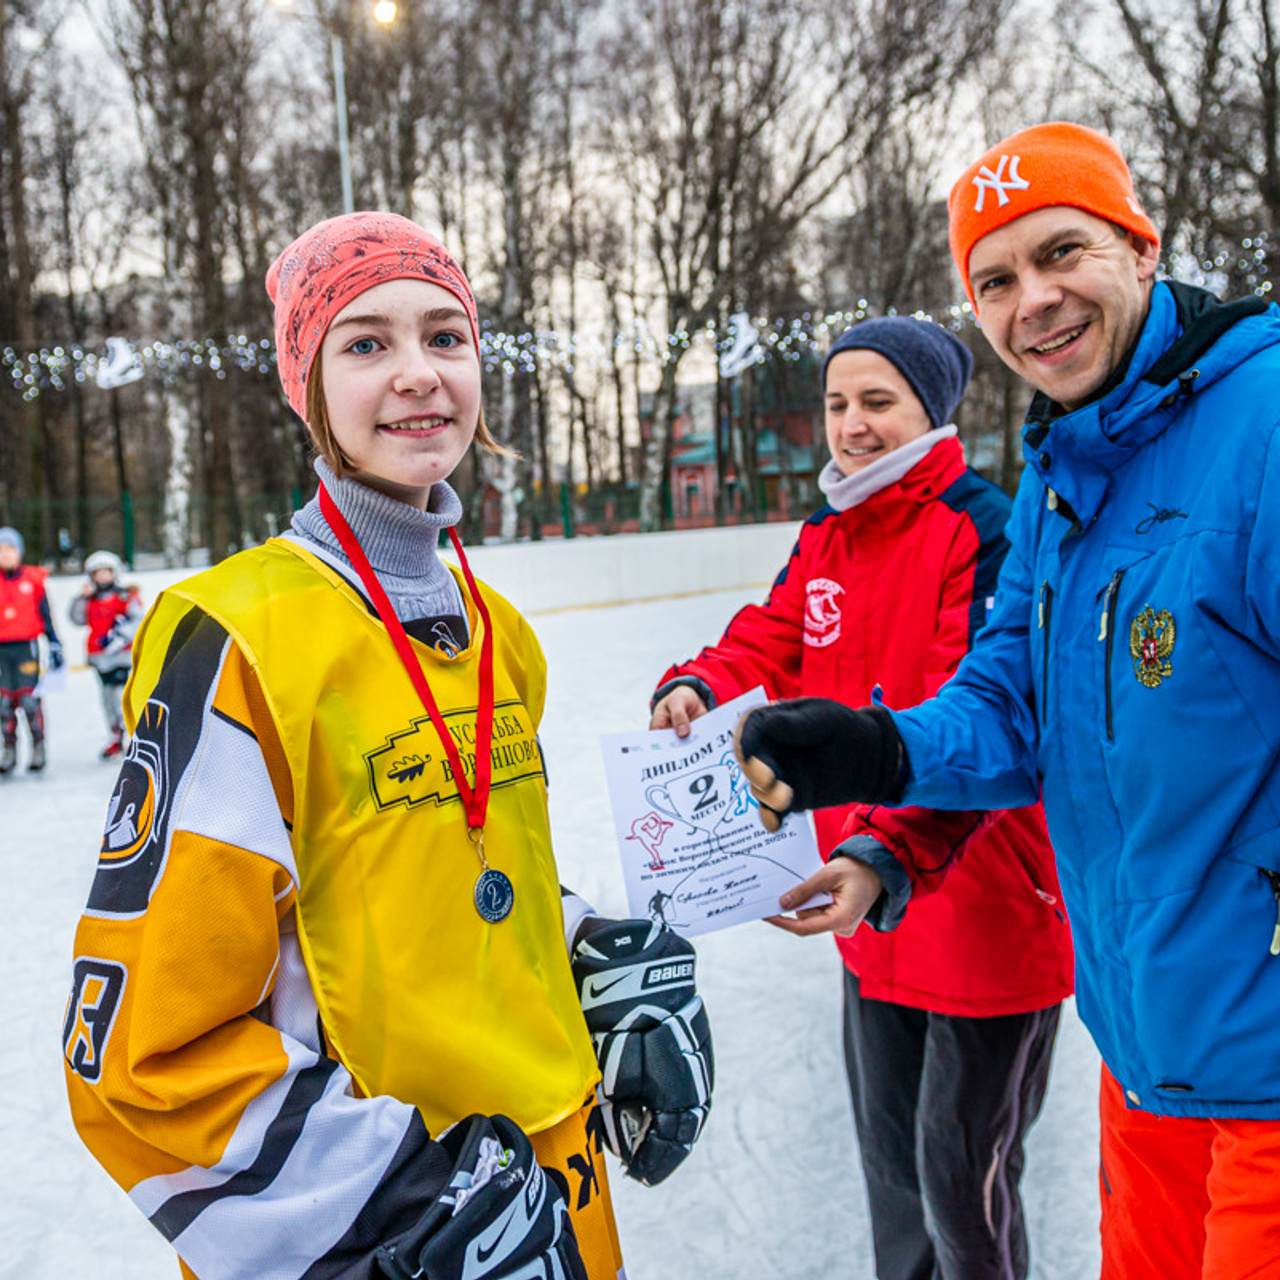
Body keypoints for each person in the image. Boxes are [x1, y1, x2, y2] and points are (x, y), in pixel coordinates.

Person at [62, 211, 713, 1280]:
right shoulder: (234, 636)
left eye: (444, 336)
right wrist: (407, 1210)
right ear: (306, 384)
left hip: (549, 1185)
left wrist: (590, 951)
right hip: (393, 1231)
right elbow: (143, 1056)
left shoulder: (498, 628)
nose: (418, 373)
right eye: (365, 343)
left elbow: (444, 878)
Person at [733, 121, 1280, 1279]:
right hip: (1147, 1055)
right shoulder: (1059, 472)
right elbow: (1007, 706)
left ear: (1141, 247)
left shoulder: (1262, 421)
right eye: (994, 277)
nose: (1031, 298)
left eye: (1060, 253)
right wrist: (870, 749)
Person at [651, 316, 1072, 1280]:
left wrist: (881, 853)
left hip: (982, 904)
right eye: (838, 403)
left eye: (877, 402)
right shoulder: (829, 534)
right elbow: (768, 634)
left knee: (964, 1184)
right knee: (892, 1174)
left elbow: (971, 719)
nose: (851, 425)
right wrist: (701, 685)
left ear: (931, 410)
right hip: (868, 903)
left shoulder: (987, 528)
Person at [69, 549, 145, 758]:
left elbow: (139, 620)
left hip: (120, 657)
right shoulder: (89, 599)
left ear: (114, 573)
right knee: (107, 698)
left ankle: (131, 735)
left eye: (106, 572)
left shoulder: (124, 597)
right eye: (98, 573)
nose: (102, 577)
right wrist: (80, 598)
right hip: (99, 658)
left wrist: (119, 636)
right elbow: (76, 619)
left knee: (121, 696)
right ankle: (114, 735)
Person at [0, 525, 63, 774]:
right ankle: (9, 750)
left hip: (27, 648)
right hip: (2, 650)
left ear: (20, 553)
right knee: (4, 703)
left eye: (10, 549)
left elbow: (46, 615)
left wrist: (55, 643)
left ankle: (38, 747)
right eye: (1, 550)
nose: (5, 554)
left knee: (29, 700)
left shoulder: (33, 580)